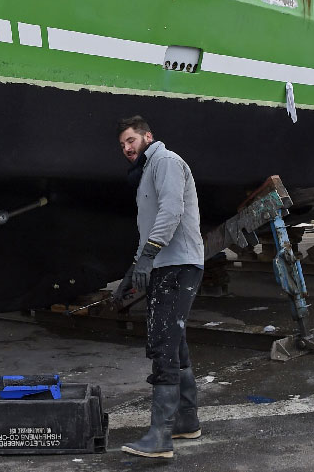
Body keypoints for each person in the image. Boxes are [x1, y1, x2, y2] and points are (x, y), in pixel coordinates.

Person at [114, 115, 205, 459]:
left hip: (178, 264)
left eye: (131, 140)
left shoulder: (165, 161)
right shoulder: (147, 172)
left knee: (164, 343)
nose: (126, 148)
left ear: (147, 136)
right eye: (122, 144)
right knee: (175, 342)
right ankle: (185, 420)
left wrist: (149, 256)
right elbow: (151, 225)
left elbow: (171, 211)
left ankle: (160, 437)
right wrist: (132, 271)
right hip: (168, 263)